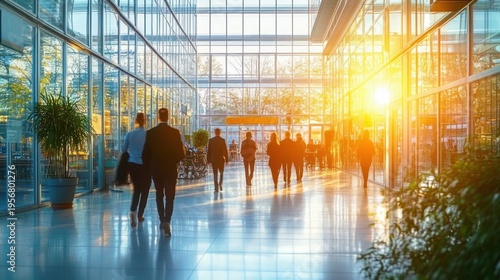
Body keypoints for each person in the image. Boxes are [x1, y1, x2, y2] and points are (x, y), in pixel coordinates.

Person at [142, 108, 186, 237]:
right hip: (170, 169)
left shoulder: (150, 133)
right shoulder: (174, 132)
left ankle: (162, 220)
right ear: (168, 117)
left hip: (156, 169)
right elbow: (180, 154)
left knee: (159, 195)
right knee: (170, 196)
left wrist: (150, 166)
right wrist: (173, 161)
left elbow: (145, 154)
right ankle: (168, 220)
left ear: (158, 118)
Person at [122, 112, 150, 228]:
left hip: (132, 164)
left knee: (136, 189)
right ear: (145, 121)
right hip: (145, 165)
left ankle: (133, 211)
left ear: (136, 121)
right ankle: (140, 214)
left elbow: (124, 150)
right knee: (145, 190)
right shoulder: (148, 135)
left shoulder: (130, 134)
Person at [207, 128, 228, 192]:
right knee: (221, 172)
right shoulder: (222, 140)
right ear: (220, 132)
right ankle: (220, 184)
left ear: (214, 132)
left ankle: (216, 187)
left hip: (213, 159)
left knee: (215, 173)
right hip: (220, 159)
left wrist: (208, 160)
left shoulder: (211, 140)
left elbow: (209, 151)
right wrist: (227, 159)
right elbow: (225, 150)